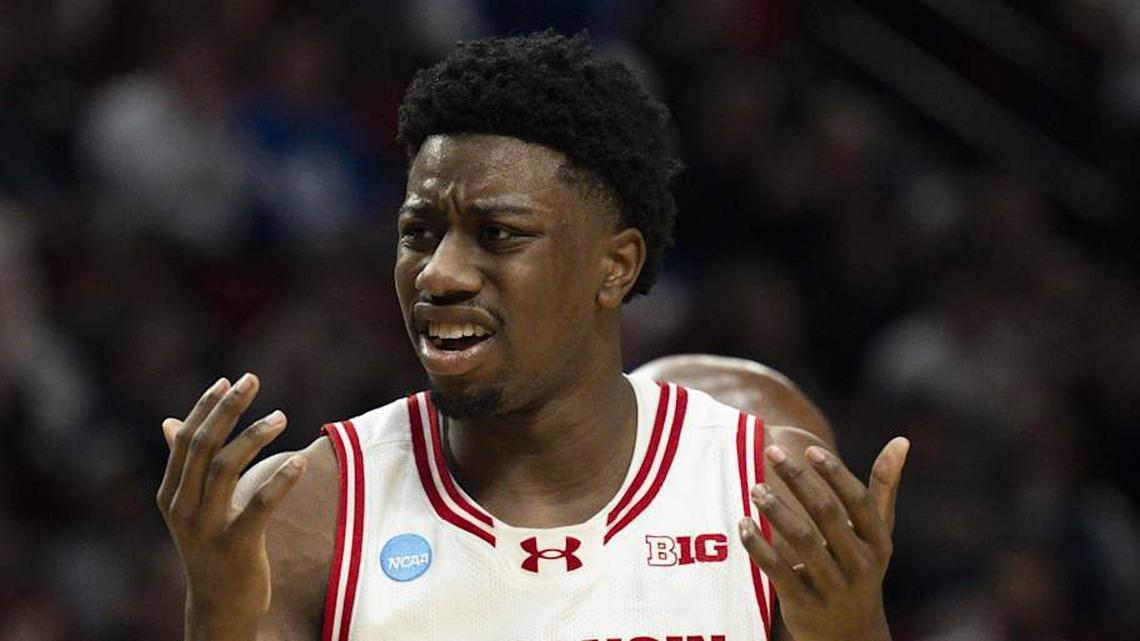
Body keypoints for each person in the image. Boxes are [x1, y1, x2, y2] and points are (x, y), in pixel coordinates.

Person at [155, 32, 909, 641]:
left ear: (615, 266)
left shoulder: (758, 484)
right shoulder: (312, 506)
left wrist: (850, 628)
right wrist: (217, 618)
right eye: (419, 232)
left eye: (498, 234)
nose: (439, 273)